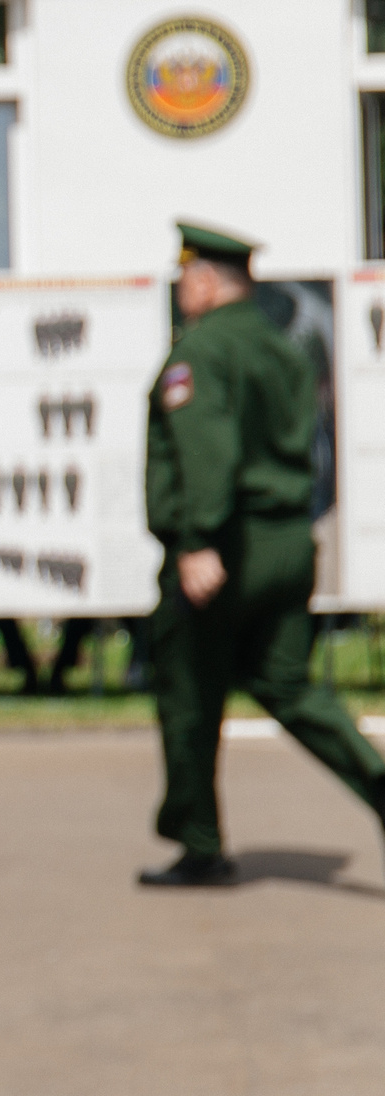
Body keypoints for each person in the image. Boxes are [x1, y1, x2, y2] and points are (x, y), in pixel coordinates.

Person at [139, 221, 385, 887]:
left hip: (228, 545)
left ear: (204, 281)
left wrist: (197, 540)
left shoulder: (201, 349)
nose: (180, 288)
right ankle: (377, 781)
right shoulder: (282, 347)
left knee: (189, 693)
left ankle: (199, 843)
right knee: (290, 686)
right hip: (286, 539)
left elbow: (208, 450)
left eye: (184, 276)